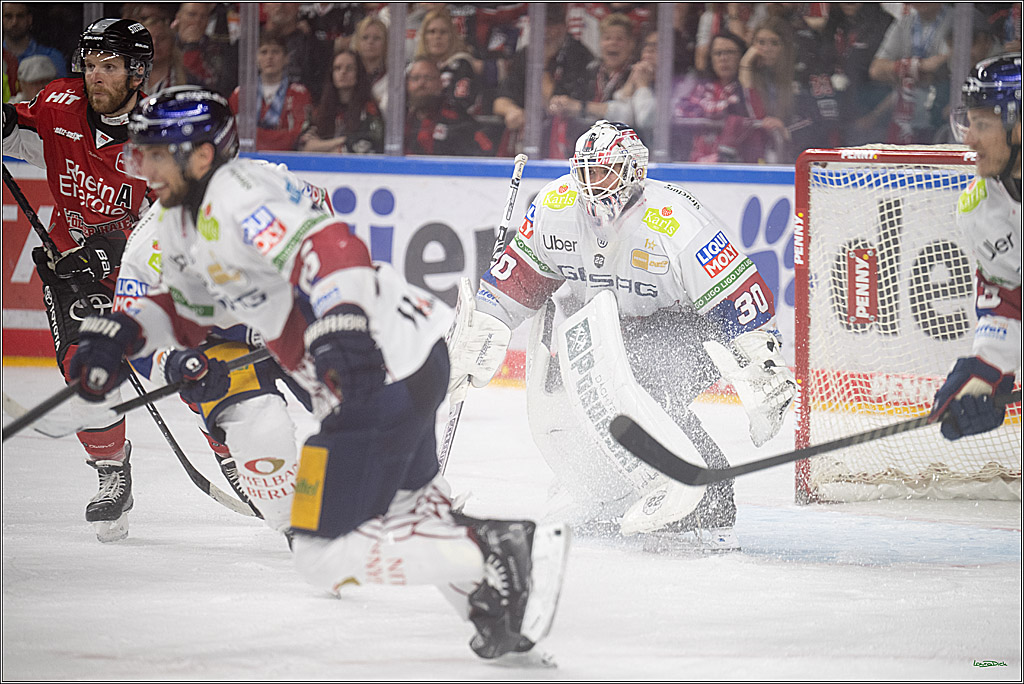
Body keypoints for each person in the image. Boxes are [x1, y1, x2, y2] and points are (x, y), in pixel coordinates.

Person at [67, 86, 570, 661]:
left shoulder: (235, 199)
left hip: (375, 375)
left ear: (201, 157)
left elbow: (327, 246)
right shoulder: (185, 217)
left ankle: (501, 547)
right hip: (403, 361)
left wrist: (340, 322)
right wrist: (123, 336)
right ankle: (500, 615)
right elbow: (189, 310)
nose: (143, 165)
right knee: (416, 509)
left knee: (319, 552)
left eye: (156, 153)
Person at [446, 120, 796, 549]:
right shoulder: (555, 207)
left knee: (647, 386)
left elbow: (742, 295)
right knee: (581, 400)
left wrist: (763, 366)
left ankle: (707, 497)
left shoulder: (675, 223)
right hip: (607, 328)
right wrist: (483, 324)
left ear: (633, 171)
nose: (593, 183)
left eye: (604, 171)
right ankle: (610, 492)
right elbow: (518, 278)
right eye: (586, 171)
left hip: (689, 327)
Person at [1, 18, 154, 542]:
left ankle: (238, 456)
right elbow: (24, 138)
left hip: (144, 272)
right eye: (89, 66)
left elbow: (176, 227)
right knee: (83, 370)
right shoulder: (59, 105)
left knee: (199, 369)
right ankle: (114, 471)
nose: (95, 78)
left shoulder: (159, 137)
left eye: (109, 67)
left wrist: (108, 253)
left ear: (136, 73)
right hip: (71, 264)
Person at [930, 53, 1021, 440]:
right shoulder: (980, 210)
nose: (968, 139)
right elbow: (1007, 300)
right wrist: (987, 368)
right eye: (968, 123)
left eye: (982, 124)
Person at [869, 3, 953, 145]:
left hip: (942, 114)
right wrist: (916, 67)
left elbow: (942, 65)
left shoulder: (956, 20)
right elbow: (876, 70)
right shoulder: (904, 23)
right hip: (906, 116)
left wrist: (901, 70)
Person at [675, 32, 760, 163]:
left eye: (730, 52)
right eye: (718, 53)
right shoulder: (701, 87)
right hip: (698, 164)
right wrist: (725, 110)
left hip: (740, 165)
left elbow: (752, 114)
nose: (723, 58)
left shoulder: (747, 89)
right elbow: (681, 111)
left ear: (740, 56)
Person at [228, 33, 312, 152]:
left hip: (288, 161)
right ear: (256, 58)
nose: (269, 57)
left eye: (275, 52)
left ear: (286, 58)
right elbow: (233, 133)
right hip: (247, 161)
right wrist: (280, 136)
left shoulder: (299, 93)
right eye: (264, 52)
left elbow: (297, 136)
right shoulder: (241, 94)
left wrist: (254, 135)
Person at [404, 57, 495, 157]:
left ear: (440, 83)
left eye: (428, 78)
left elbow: (485, 155)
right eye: (415, 78)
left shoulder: (457, 120)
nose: (421, 84)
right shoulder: (401, 120)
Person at [299, 49, 384, 154]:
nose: (343, 72)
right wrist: (342, 141)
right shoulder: (320, 110)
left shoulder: (368, 109)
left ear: (358, 74)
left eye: (349, 68)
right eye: (337, 68)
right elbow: (304, 145)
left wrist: (321, 147)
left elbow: (368, 143)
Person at [413, 7, 481, 117]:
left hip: (452, 125)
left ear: (452, 36)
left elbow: (461, 103)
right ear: (424, 37)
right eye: (432, 32)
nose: (437, 37)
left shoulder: (462, 64)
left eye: (443, 32)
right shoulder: (415, 67)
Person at [2, 3, 68, 80]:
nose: (14, 22)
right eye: (8, 16)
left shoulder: (53, 58)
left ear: (29, 19)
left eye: (20, 16)